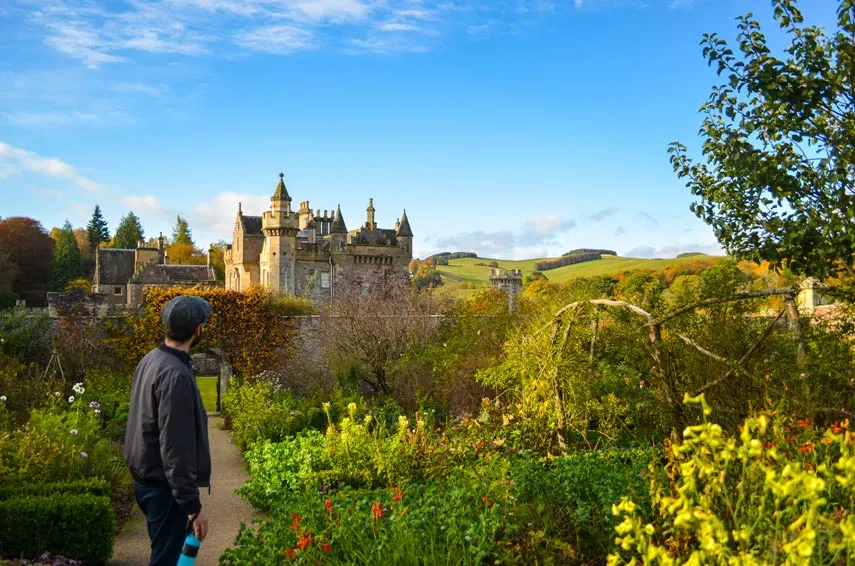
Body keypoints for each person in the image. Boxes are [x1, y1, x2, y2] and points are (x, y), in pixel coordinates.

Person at [124, 295, 213, 565]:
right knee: (166, 560)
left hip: (147, 480)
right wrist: (192, 507)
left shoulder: (151, 359)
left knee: (168, 556)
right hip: (164, 489)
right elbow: (176, 447)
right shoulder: (176, 375)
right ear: (198, 329)